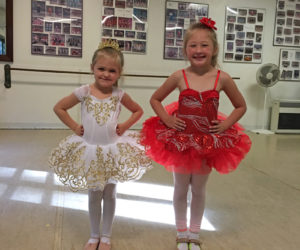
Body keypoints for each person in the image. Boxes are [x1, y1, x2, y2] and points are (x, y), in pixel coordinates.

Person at [141, 17, 251, 250]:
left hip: (207, 143)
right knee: (180, 188)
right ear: (185, 49)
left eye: (204, 45)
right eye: (193, 45)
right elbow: (155, 99)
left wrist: (226, 125)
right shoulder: (179, 76)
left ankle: (194, 233)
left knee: (199, 190)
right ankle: (181, 233)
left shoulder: (223, 78)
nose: (199, 50)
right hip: (181, 142)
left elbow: (241, 106)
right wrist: (168, 119)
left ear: (214, 49)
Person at [49, 40, 152, 250]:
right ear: (92, 68)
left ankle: (106, 236)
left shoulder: (119, 94)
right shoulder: (84, 91)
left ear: (120, 73)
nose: (106, 74)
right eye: (101, 68)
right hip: (89, 150)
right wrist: (74, 126)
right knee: (94, 193)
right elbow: (59, 107)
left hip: (112, 151)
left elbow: (138, 111)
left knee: (110, 193)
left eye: (112, 70)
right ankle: (94, 235)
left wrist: (124, 126)